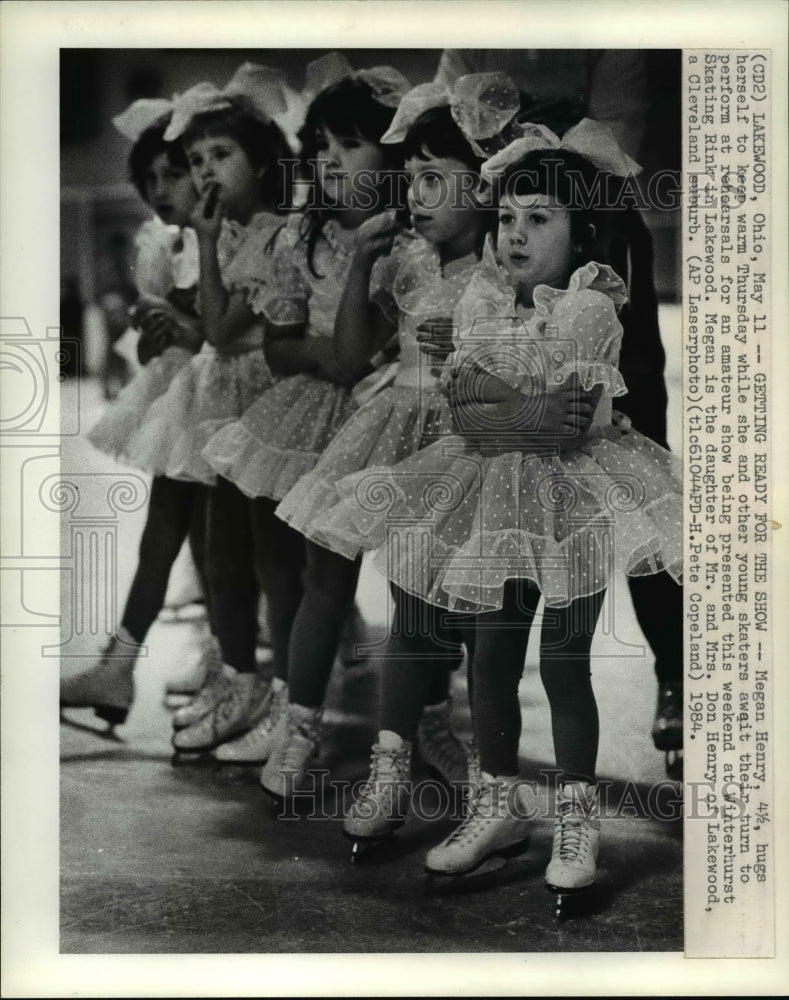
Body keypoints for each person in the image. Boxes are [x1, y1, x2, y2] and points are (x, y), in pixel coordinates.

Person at [330, 125, 682, 903]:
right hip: (491, 491)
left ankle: (577, 815)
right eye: (507, 219)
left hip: (576, 497)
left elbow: (570, 425)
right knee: (489, 658)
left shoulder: (589, 303)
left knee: (562, 661)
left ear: (580, 230)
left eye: (539, 219)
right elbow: (461, 409)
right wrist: (509, 407)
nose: (516, 234)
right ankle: (494, 805)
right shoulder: (483, 297)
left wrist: (500, 406)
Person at [266, 72, 518, 828]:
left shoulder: (504, 262)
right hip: (402, 432)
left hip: (474, 439)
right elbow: (350, 353)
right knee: (403, 605)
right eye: (412, 179)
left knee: (466, 611)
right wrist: (361, 269)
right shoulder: (404, 255)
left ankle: (470, 764)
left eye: (433, 178)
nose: (416, 194)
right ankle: (367, 755)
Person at [200, 53, 412, 775]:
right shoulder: (303, 236)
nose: (330, 161)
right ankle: (298, 723)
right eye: (321, 148)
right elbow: (281, 348)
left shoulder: (413, 243)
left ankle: (421, 729)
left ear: (394, 152)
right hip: (319, 418)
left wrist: (339, 352)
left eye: (350, 144)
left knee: (422, 584)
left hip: (402, 420)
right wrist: (317, 353)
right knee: (321, 577)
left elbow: (374, 352)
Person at [114, 65, 295, 754]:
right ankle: (239, 681)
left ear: (261, 159)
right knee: (221, 555)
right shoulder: (220, 237)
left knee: (272, 562)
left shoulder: (273, 233)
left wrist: (210, 259)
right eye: (196, 160)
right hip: (222, 398)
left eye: (219, 156)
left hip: (267, 402)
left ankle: (279, 698)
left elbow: (219, 331)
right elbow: (215, 326)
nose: (204, 172)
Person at [60, 104, 208, 726]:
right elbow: (160, 346)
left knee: (222, 547)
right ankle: (124, 665)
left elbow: (228, 333)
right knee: (176, 537)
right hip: (186, 400)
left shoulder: (222, 242)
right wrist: (149, 331)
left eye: (173, 174)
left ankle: (224, 667)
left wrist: (182, 326)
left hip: (227, 402)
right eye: (150, 181)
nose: (160, 191)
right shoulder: (166, 244)